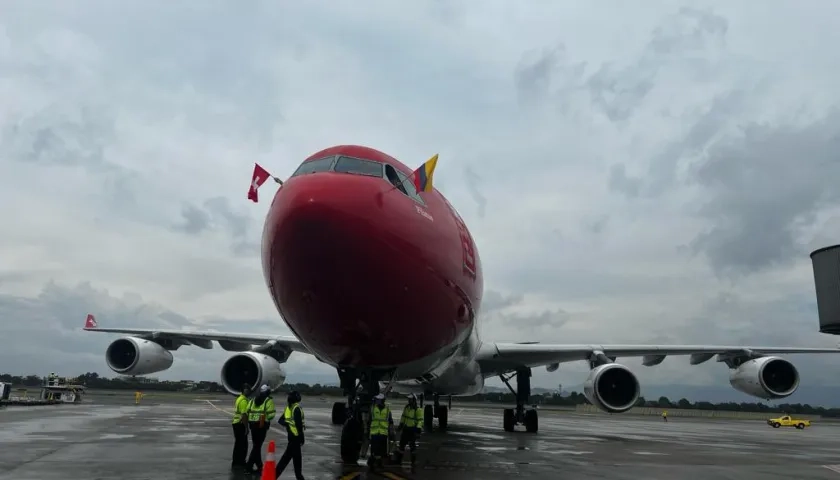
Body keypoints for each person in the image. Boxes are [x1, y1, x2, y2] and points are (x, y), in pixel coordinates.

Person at [244, 385, 276, 475]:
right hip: (261, 426)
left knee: (256, 445)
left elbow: (247, 411)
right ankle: (248, 467)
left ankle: (260, 466)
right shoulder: (268, 401)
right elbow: (271, 415)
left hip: (252, 425)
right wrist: (266, 417)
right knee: (257, 447)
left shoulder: (253, 400)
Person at [275, 390, 306, 479]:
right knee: (296, 462)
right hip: (296, 439)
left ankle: (274, 476)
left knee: (286, 459)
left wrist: (288, 425)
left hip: (291, 437)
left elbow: (280, 420)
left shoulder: (288, 408)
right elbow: (299, 425)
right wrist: (302, 438)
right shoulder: (297, 408)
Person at [394, 394, 423, 472]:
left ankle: (413, 461)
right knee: (401, 445)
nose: (409, 401)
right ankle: (399, 460)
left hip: (412, 430)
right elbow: (403, 417)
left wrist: (418, 430)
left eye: (410, 399)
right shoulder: (406, 408)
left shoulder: (418, 410)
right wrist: (400, 425)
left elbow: (420, 420)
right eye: (408, 399)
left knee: (412, 447)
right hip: (406, 429)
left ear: (414, 400)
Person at [367, 393, 393, 470]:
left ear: (382, 401)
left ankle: (378, 462)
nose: (376, 401)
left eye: (378, 399)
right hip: (374, 432)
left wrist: (391, 431)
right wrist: (367, 431)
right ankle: (372, 462)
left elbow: (390, 421)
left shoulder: (387, 410)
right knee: (374, 449)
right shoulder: (372, 408)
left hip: (383, 432)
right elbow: (369, 420)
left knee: (382, 450)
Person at [231, 384, 252, 470]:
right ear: (243, 390)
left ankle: (236, 461)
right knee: (243, 445)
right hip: (240, 424)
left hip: (236, 423)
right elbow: (244, 415)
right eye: (246, 389)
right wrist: (246, 428)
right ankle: (241, 462)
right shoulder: (243, 401)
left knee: (238, 444)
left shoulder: (239, 398)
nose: (248, 391)